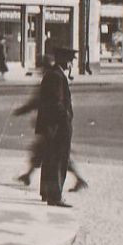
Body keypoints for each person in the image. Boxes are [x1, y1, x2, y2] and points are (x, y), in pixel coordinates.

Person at [13, 44, 76, 207]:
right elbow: (57, 103)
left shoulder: (52, 74)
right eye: (69, 61)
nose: (71, 64)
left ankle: (47, 193)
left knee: (49, 160)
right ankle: (55, 196)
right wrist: (66, 118)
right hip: (57, 126)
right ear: (62, 60)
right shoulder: (56, 76)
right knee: (58, 161)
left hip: (50, 126)